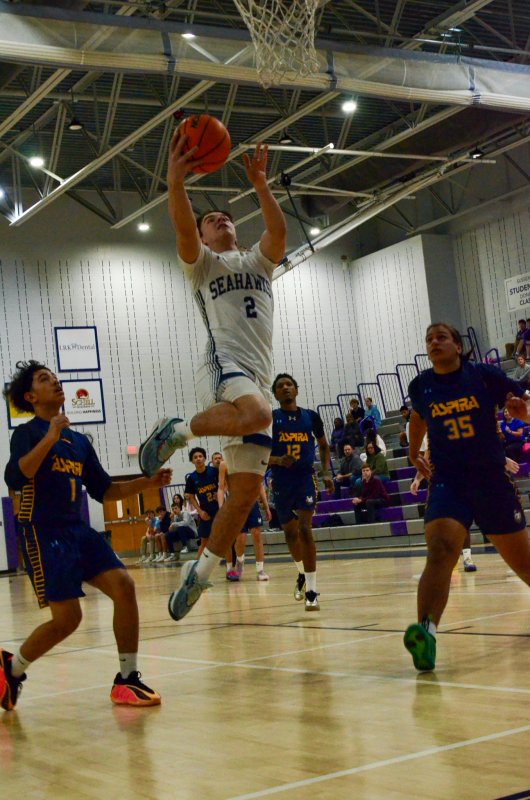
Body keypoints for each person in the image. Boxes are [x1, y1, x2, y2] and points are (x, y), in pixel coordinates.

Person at [138, 135, 286, 621]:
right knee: (259, 414)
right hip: (224, 364)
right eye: (210, 220)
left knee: (242, 497)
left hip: (257, 374)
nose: (220, 220)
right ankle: (178, 431)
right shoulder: (202, 264)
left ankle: (199, 574)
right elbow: (183, 227)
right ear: (203, 237)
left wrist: (261, 184)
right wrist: (176, 182)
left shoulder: (258, 261)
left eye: (225, 217)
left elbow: (278, 231)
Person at [0, 360, 172, 710]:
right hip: (43, 533)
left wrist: (147, 483)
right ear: (31, 397)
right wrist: (50, 437)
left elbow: (104, 490)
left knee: (124, 585)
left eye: (55, 377)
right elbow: (16, 477)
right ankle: (12, 669)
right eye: (45, 379)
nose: (56, 382)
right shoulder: (27, 434)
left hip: (77, 530)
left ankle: (127, 678)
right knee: (69, 620)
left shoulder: (79, 441)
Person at [403, 322, 530, 673]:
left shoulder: (484, 376)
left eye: (441, 337)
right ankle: (426, 635)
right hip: (449, 482)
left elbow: (522, 401)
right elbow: (418, 417)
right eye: (429, 339)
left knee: (524, 565)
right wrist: (414, 452)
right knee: (440, 549)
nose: (434, 342)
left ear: (458, 346)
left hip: (490, 480)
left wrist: (523, 412)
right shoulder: (421, 386)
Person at [269, 373, 334, 611]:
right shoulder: (270, 419)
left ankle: (312, 592)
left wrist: (326, 473)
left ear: (296, 390)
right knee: (290, 533)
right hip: (281, 480)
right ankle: (301, 573)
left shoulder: (311, 416)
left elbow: (324, 446)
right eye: (280, 386)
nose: (285, 388)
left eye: (289, 384)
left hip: (305, 477)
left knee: (305, 529)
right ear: (275, 394)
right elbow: (258, 455)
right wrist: (277, 459)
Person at [218, 459, 272, 581]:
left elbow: (259, 485)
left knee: (257, 534)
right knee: (241, 538)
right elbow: (221, 488)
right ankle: (240, 560)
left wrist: (266, 506)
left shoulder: (252, 460)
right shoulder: (224, 464)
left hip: (252, 502)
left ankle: (260, 570)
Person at [184, 448, 220, 558]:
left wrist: (220, 493)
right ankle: (196, 565)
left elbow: (225, 483)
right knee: (204, 541)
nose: (198, 459)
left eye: (200, 456)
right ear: (192, 461)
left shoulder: (214, 471)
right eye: (195, 457)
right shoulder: (191, 478)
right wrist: (200, 512)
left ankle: (231, 564)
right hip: (205, 512)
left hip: (219, 509)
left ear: (204, 458)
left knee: (225, 537)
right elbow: (191, 497)